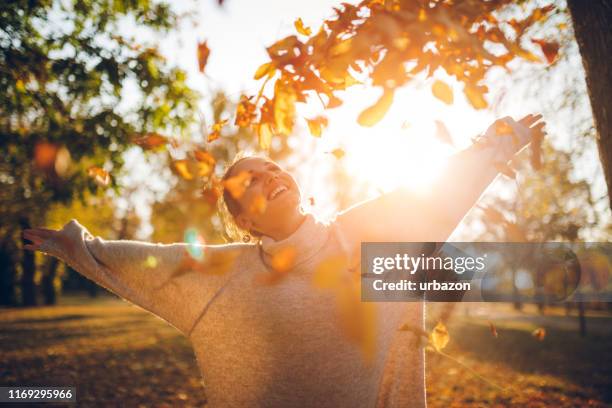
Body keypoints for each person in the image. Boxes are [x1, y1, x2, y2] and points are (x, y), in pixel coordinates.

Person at [24, 114, 545, 407]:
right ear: (245, 222)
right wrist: (74, 245)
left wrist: (491, 147)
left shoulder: (364, 235)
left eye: (273, 167)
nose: (271, 176)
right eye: (250, 181)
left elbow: (432, 197)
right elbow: (144, 261)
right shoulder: (221, 276)